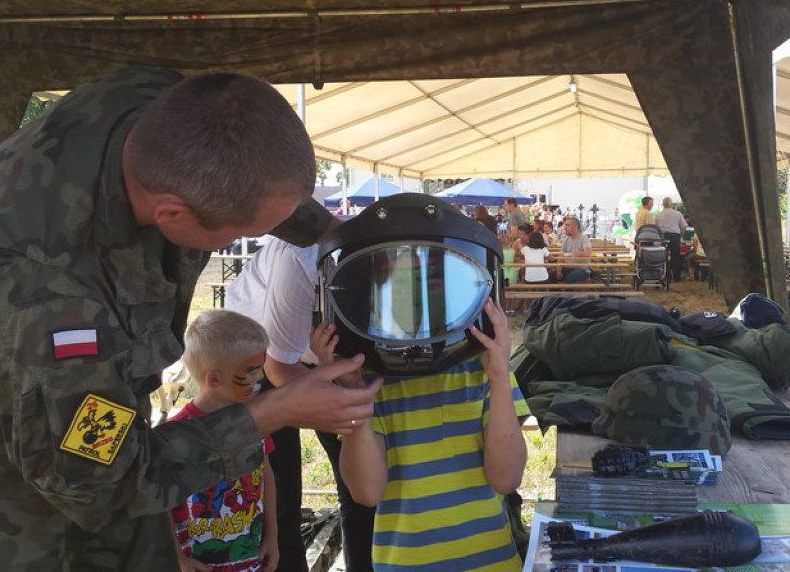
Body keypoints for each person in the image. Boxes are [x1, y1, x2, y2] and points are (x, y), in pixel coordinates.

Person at [0, 66, 381, 570]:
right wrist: (273, 411)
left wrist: (336, 235)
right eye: (237, 235)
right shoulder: (38, 295)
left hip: (104, 428)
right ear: (171, 214)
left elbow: (249, 170)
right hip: (4, 505)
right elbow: (95, 481)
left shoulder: (169, 107)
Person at [314, 193, 529, 570]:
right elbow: (366, 492)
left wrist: (498, 378)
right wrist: (353, 392)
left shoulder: (484, 369)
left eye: (432, 284)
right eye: (398, 285)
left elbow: (506, 478)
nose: (416, 300)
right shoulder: (368, 383)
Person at [226, 232, 376, 572]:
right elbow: (277, 367)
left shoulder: (393, 261)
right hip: (253, 355)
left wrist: (350, 410)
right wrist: (336, 409)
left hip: (322, 359)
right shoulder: (301, 254)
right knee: (278, 489)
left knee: (360, 487)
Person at [169, 310, 278, 572]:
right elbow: (161, 502)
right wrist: (177, 557)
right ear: (214, 379)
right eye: (251, 371)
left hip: (250, 562)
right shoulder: (176, 434)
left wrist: (272, 535)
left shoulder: (254, 422)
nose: (260, 379)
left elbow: (266, 475)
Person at [654, 196, 688, 282]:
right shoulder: (678, 214)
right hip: (675, 236)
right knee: (676, 256)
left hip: (663, 237)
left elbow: (654, 228)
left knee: (664, 256)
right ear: (671, 204)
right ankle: (677, 277)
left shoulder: (658, 215)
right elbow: (684, 226)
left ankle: (666, 276)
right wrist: (680, 235)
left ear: (663, 205)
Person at [555, 216, 594, 283]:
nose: (564, 227)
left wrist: (580, 253)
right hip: (567, 268)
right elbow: (561, 256)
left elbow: (588, 252)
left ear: (574, 227)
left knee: (571, 277)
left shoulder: (583, 238)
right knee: (552, 275)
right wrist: (558, 271)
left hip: (582, 269)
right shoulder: (566, 239)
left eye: (567, 225)